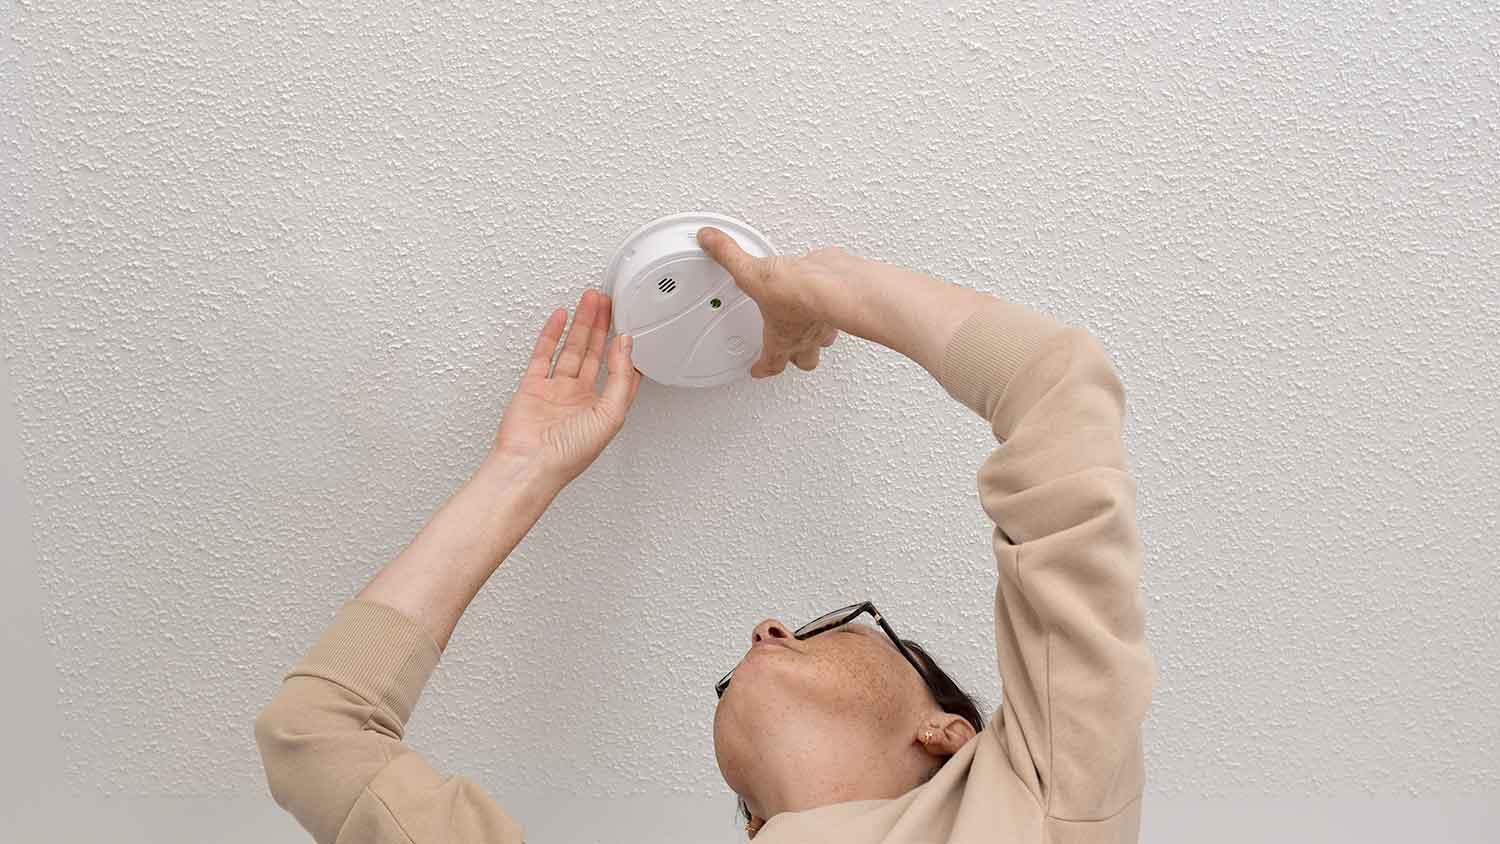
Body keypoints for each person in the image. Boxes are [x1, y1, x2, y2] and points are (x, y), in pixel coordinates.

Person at [254, 227, 1155, 843]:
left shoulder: (1040, 813)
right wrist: (523, 468)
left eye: (807, 632)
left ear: (949, 739)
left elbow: (316, 735)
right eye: (816, 624)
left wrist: (825, 288)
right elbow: (1056, 395)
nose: (765, 627)